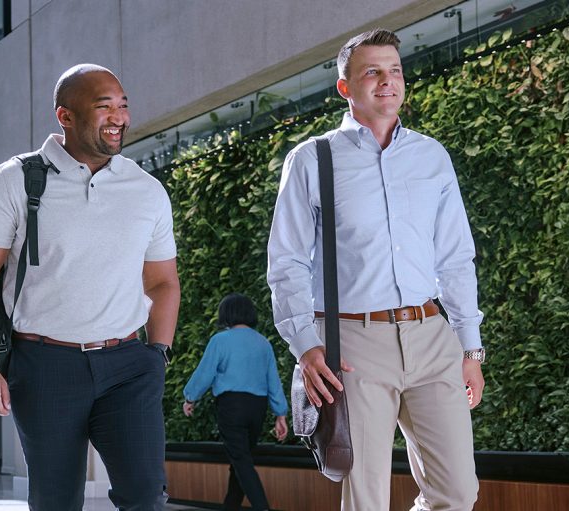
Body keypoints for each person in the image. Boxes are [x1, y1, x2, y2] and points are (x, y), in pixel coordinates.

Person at [267, 28, 486, 510]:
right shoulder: (312, 159)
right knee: (366, 497)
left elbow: (455, 256)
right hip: (351, 346)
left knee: (456, 492)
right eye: (373, 73)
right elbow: (285, 262)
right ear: (345, 87)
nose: (387, 82)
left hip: (431, 336)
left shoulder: (431, 156)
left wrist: (470, 346)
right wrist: (306, 344)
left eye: (395, 71)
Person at [0, 63, 181, 511]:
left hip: (129, 365)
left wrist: (157, 354)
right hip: (43, 365)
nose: (118, 117)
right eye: (104, 107)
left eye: (123, 106)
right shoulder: (15, 181)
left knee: (145, 495)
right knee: (55, 499)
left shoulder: (147, 190)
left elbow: (162, 282)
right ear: (65, 117)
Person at [181, 293, 288, 511]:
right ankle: (230, 506)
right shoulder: (263, 343)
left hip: (231, 406)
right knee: (240, 461)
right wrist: (281, 414)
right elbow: (273, 381)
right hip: (257, 408)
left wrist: (190, 397)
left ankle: (262, 507)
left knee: (241, 461)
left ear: (226, 314)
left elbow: (205, 374)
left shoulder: (220, 340)